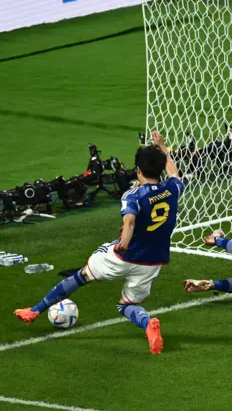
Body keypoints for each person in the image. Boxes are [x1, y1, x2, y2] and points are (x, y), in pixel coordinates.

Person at [14, 132, 183, 354]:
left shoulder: (133, 195)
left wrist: (123, 242)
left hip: (123, 256)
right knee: (126, 305)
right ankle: (147, 325)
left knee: (83, 275)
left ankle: (34, 311)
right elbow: (174, 171)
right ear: (159, 169)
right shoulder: (173, 188)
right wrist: (162, 146)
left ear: (138, 170)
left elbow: (130, 221)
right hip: (153, 262)